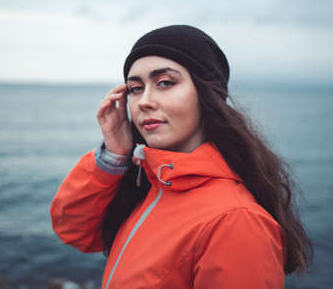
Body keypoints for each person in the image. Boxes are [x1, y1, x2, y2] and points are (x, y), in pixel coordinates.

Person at [50, 25, 313, 288]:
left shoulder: (235, 221)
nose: (144, 101)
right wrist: (114, 156)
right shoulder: (153, 185)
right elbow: (75, 232)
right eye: (135, 88)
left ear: (207, 94)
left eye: (165, 83)